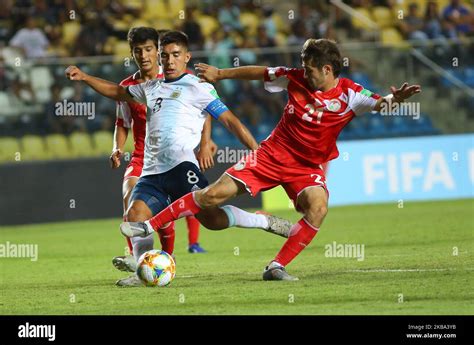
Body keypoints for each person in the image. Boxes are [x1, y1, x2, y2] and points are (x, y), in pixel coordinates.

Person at [120, 38, 421, 281]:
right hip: (272, 154)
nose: (304, 72)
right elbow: (260, 72)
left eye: (310, 68)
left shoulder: (352, 95)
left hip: (306, 167)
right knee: (213, 196)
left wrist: (396, 99)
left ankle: (276, 266)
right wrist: (222, 74)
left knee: (317, 208)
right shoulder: (295, 77)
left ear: (327, 69)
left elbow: (381, 103)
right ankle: (149, 226)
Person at [65, 30, 293, 286]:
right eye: (165, 56)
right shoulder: (150, 87)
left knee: (213, 220)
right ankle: (142, 271)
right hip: (152, 171)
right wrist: (84, 77)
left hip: (182, 166)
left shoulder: (200, 87)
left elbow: (230, 121)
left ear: (187, 57)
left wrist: (255, 149)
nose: (170, 61)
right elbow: (117, 92)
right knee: (135, 214)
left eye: (175, 55)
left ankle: (263, 220)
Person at [110, 28, 216, 282]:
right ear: (132, 54)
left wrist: (205, 142)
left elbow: (206, 107)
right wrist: (116, 148)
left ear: (157, 51)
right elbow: (122, 123)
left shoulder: (175, 76)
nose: (144, 55)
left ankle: (167, 256)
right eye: (138, 51)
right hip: (141, 156)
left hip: (175, 156)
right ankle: (139, 259)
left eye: (148, 49)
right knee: (130, 198)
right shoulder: (128, 87)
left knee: (184, 206)